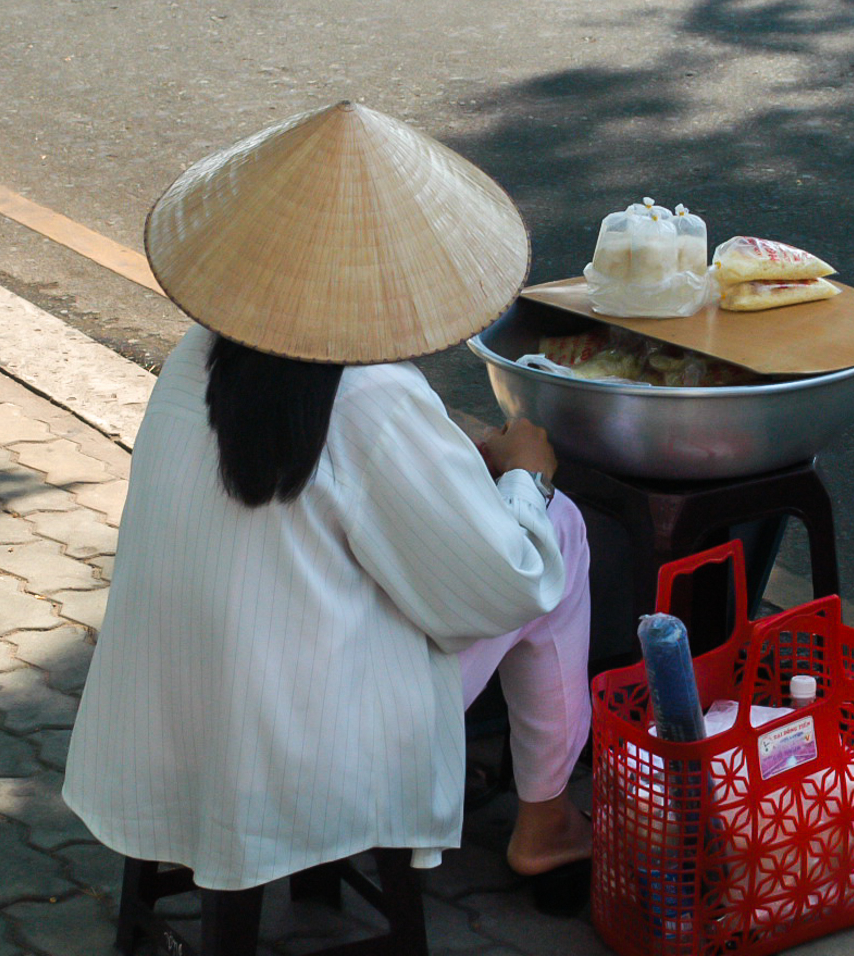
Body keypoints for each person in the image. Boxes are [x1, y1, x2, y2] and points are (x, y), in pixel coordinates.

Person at [62, 100, 593, 915]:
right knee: (555, 536)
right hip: (310, 746)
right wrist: (525, 472)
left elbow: (341, 475)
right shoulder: (372, 396)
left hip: (164, 708)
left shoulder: (201, 355)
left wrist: (450, 452)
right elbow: (500, 587)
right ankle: (545, 819)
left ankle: (516, 786)